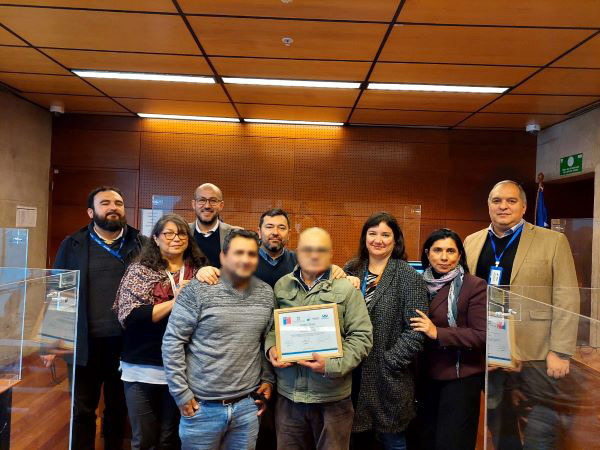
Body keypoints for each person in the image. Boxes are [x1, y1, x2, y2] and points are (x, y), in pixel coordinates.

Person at [464, 180, 579, 449]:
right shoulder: (472, 241)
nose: (503, 206)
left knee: (541, 425)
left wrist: (561, 351)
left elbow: (567, 296)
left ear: (524, 206)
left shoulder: (553, 241)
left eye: (511, 201)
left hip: (538, 351)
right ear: (489, 206)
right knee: (498, 420)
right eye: (497, 201)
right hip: (491, 349)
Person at [162, 229, 275, 450]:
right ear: (223, 257)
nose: (245, 259)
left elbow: (266, 340)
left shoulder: (265, 293)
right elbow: (172, 342)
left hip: (247, 408)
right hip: (202, 409)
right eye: (238, 253)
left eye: (251, 254)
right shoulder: (198, 290)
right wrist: (181, 394)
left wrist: (268, 379)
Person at [53, 186, 145, 449]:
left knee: (118, 409)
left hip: (126, 343)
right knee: (82, 410)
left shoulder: (141, 243)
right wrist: (53, 340)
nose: (113, 207)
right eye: (105, 203)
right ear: (91, 212)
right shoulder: (73, 244)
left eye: (118, 202)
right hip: (85, 343)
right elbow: (59, 292)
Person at [266, 227, 373, 450]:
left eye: (321, 250)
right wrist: (272, 349)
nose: (314, 255)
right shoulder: (282, 285)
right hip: (289, 398)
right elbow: (271, 329)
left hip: (333, 400)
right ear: (297, 252)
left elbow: (362, 337)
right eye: (307, 249)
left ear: (331, 254)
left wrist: (331, 365)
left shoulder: (347, 289)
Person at [113, 214, 207, 449]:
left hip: (183, 370)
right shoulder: (139, 270)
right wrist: (177, 301)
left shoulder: (200, 272)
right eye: (169, 233)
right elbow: (131, 316)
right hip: (142, 367)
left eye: (182, 233)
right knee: (144, 439)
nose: (176, 238)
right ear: (155, 238)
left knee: (171, 438)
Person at [344, 212, 429, 450]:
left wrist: (389, 361)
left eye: (385, 234)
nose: (378, 240)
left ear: (395, 240)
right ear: (365, 238)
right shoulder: (351, 269)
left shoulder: (407, 275)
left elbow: (417, 330)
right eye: (372, 233)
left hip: (388, 377)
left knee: (393, 441)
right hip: (352, 374)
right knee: (356, 440)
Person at [410, 228, 486, 450]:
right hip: (423, 376)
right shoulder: (416, 284)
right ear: (427, 253)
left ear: (460, 255)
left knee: (452, 443)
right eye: (438, 250)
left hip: (460, 378)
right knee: (424, 440)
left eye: (451, 251)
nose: (444, 257)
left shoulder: (474, 286)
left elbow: (481, 334)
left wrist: (438, 332)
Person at [197, 208, 360, 288]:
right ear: (259, 232)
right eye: (269, 227)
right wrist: (203, 271)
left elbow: (323, 270)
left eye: (281, 228)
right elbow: (220, 276)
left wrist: (342, 275)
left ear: (289, 233)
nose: (275, 232)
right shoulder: (244, 261)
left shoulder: (300, 260)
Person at [189, 183, 239, 267]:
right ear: (194, 204)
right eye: (202, 200)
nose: (207, 206)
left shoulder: (236, 234)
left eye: (213, 200)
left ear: (221, 205)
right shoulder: (183, 232)